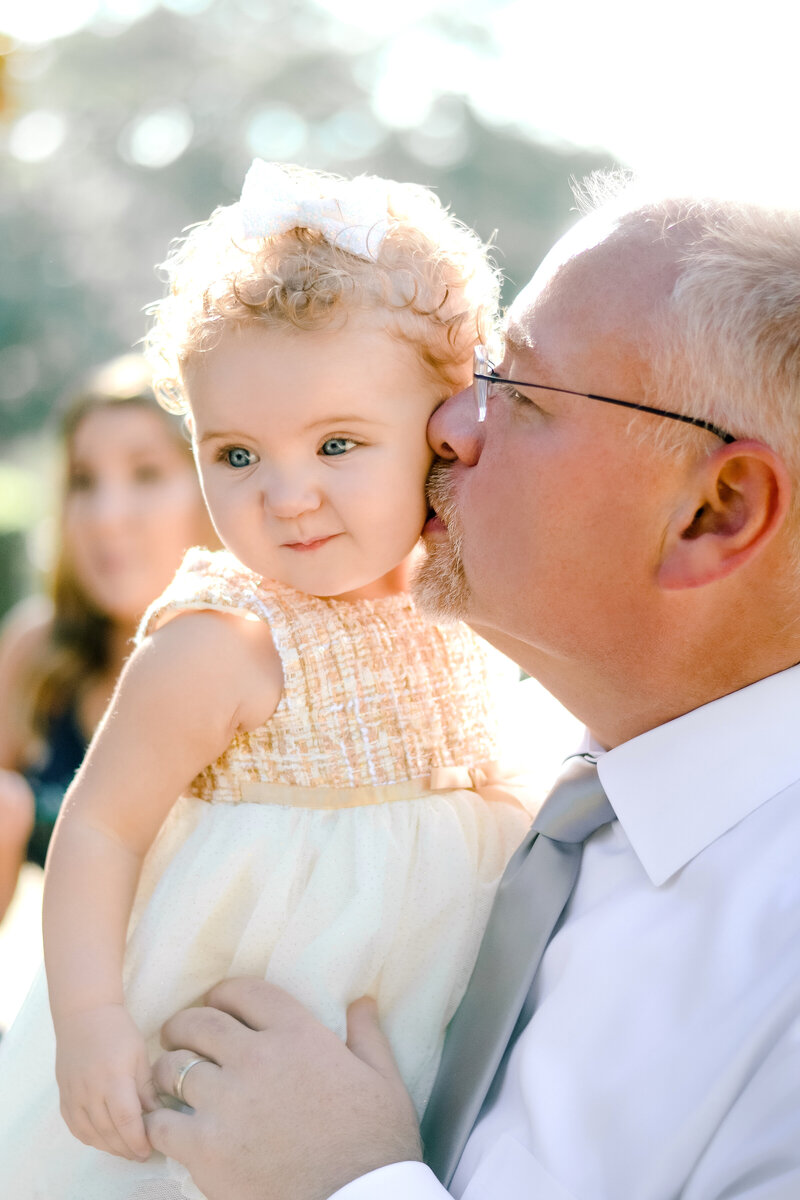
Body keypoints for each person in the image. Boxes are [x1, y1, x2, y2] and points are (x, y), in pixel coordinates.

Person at [137, 174, 800, 1200]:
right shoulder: (493, 769)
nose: (449, 421)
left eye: (521, 392)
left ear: (712, 511)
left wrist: (342, 1184)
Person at [0, 161, 529, 1199]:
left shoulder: (470, 608)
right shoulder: (225, 639)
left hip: (414, 1045)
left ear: (445, 419)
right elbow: (99, 829)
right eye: (234, 455)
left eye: (337, 444)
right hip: (215, 1055)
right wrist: (92, 1025)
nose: (285, 497)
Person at [0, 355, 214, 924]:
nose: (106, 516)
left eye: (146, 475)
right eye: (84, 482)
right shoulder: (36, 654)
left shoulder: (262, 666)